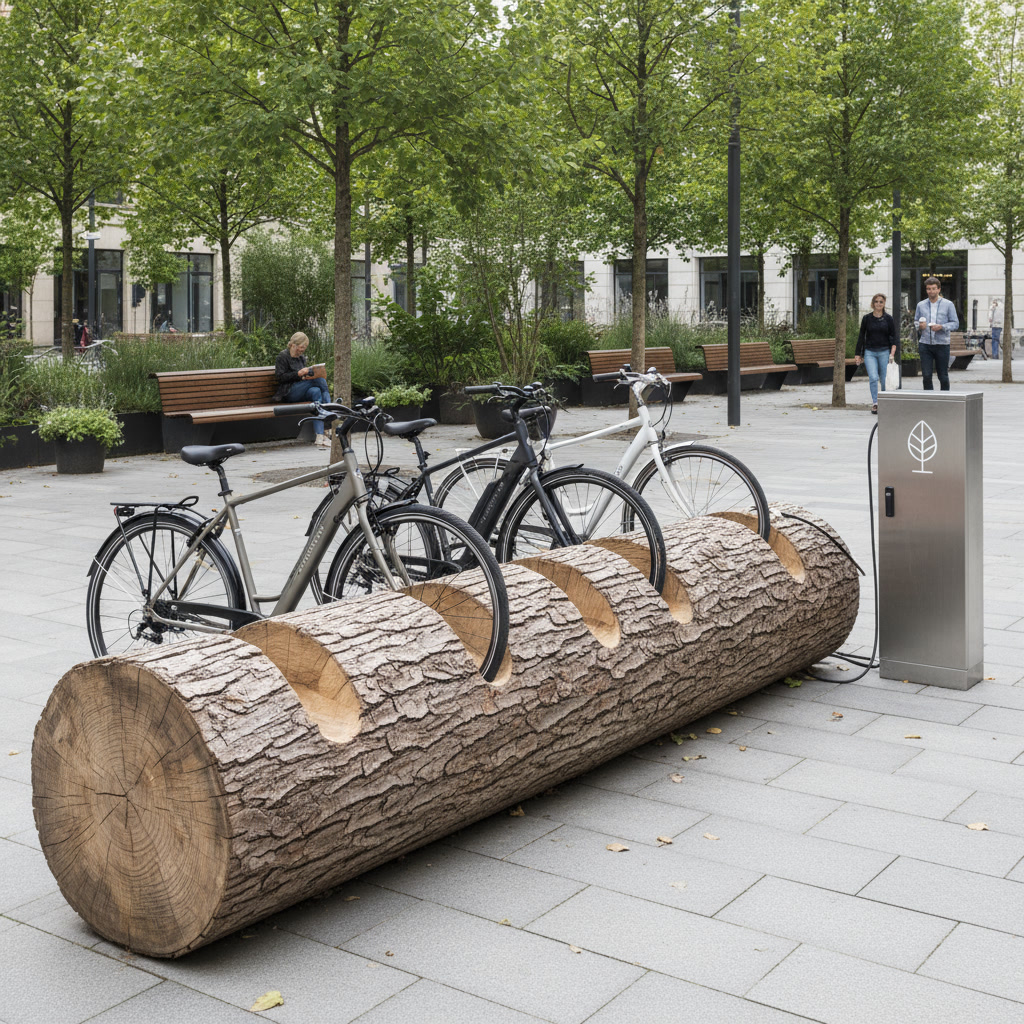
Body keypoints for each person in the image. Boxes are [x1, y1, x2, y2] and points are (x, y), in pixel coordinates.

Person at [274, 331, 332, 447]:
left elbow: (305, 375)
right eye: (301, 347)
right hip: (289, 392)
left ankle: (320, 436)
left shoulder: (301, 358)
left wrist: (311, 372)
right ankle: (329, 419)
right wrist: (298, 373)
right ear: (293, 344)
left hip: (301, 390)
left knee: (316, 392)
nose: (302, 350)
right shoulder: (282, 356)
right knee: (321, 381)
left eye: (304, 348)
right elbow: (280, 378)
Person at [855, 293, 898, 414]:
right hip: (870, 352)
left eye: (881, 302)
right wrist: (858, 354)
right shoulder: (867, 318)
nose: (878, 304)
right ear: (873, 303)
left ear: (884, 304)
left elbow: (893, 337)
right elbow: (861, 336)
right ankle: (875, 403)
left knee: (884, 379)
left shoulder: (888, 319)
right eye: (876, 301)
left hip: (884, 351)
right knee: (873, 378)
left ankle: (884, 402)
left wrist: (892, 352)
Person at [914, 277, 958, 391]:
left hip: (942, 344)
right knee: (926, 376)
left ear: (939, 289)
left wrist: (942, 327)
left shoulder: (948, 304)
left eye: (933, 289)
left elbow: (955, 323)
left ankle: (945, 400)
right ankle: (929, 401)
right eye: (928, 289)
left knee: (943, 376)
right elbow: (916, 321)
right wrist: (920, 326)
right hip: (925, 344)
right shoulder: (921, 305)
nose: (931, 291)